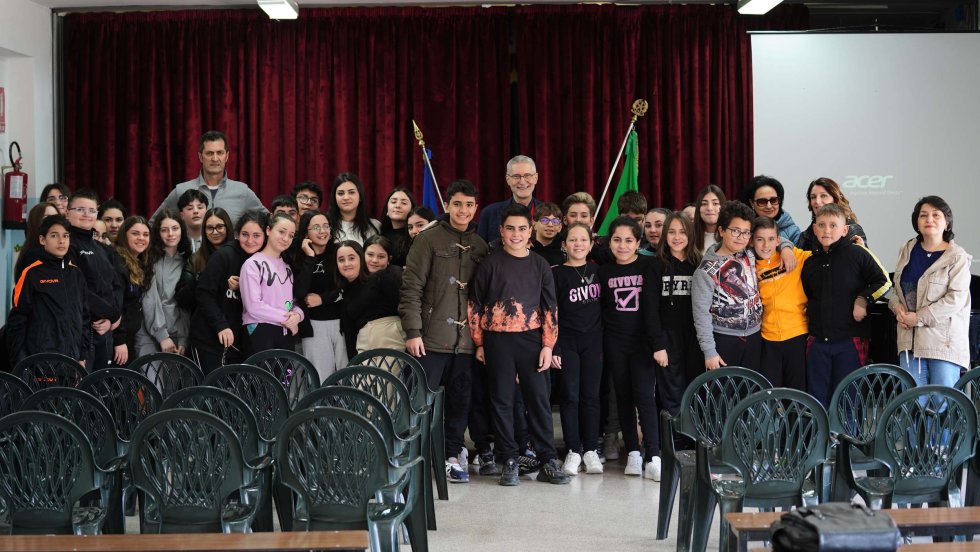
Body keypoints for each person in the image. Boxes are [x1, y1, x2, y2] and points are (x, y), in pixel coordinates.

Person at [468, 204, 568, 486]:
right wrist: (479, 342)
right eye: (510, 228)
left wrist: (548, 345)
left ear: (530, 231)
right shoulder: (490, 264)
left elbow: (550, 307)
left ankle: (548, 458)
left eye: (522, 228)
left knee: (538, 399)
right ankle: (509, 458)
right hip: (497, 340)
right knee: (502, 399)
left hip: (531, 339)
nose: (516, 234)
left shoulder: (539, 265)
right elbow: (474, 306)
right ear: (501, 231)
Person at [399, 179, 489, 484]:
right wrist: (413, 331)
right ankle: (408, 456)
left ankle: (452, 454)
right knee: (417, 401)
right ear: (447, 205)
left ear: (476, 207)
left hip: (466, 342)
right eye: (457, 204)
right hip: (429, 339)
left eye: (469, 204)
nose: (463, 210)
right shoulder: (427, 239)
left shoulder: (480, 245)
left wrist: (481, 340)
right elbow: (411, 289)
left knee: (460, 402)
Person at [801, 203, 891, 407]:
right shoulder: (810, 263)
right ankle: (821, 440)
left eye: (833, 225)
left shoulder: (858, 254)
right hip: (817, 343)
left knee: (847, 400)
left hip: (850, 342)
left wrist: (863, 300)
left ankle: (846, 440)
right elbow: (808, 294)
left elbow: (884, 281)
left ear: (845, 230)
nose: (826, 230)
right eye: (821, 225)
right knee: (816, 401)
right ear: (814, 229)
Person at [599, 216, 664, 480]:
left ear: (638, 242)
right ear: (610, 243)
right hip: (615, 344)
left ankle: (654, 455)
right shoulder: (603, 271)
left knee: (645, 398)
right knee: (623, 398)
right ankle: (634, 454)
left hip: (643, 344)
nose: (623, 246)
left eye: (628, 240)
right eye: (617, 240)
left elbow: (654, 309)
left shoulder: (650, 266)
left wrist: (658, 343)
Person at [889, 196, 971, 387]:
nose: (929, 219)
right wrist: (897, 307)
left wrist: (918, 318)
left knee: (942, 403)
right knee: (912, 404)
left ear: (947, 223)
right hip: (909, 342)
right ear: (916, 222)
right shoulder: (907, 249)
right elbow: (896, 290)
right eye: (923, 215)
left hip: (943, 343)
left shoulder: (957, 256)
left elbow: (955, 299)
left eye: (936, 215)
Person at [551, 222, 603, 475]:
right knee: (570, 396)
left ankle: (591, 449)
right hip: (567, 343)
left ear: (591, 244)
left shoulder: (597, 270)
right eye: (573, 240)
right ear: (564, 245)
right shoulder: (556, 273)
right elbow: (551, 313)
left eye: (583, 239)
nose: (578, 244)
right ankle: (573, 450)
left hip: (594, 342)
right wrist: (555, 347)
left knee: (591, 396)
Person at [189, 210, 267, 373]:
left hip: (239, 343)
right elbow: (203, 293)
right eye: (245, 234)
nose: (250, 240)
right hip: (209, 339)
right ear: (237, 233)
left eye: (256, 235)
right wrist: (220, 325)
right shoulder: (224, 255)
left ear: (266, 234)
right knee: (211, 393)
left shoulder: (264, 259)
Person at [693, 201, 766, 373]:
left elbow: (773, 238)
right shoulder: (705, 271)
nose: (741, 237)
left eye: (746, 232)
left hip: (755, 336)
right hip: (724, 339)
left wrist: (785, 247)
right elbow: (701, 315)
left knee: (751, 391)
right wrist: (709, 352)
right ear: (721, 231)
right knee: (725, 393)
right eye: (735, 231)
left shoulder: (749, 253)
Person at [6, 215, 89, 366]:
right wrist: (21, 361)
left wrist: (82, 356)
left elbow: (85, 318)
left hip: (72, 362)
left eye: (65, 236)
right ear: (42, 240)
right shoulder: (32, 273)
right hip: (40, 363)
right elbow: (17, 320)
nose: (61, 241)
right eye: (54, 235)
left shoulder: (77, 274)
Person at [152, 130, 265, 225]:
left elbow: (270, 222)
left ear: (227, 156)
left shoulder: (242, 191)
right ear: (201, 157)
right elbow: (153, 225)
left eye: (220, 153)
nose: (215, 159)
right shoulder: (181, 191)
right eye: (210, 153)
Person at [66, 189, 123, 370]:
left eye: (91, 210)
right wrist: (112, 314)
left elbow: (116, 286)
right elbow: (77, 289)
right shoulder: (65, 245)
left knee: (101, 392)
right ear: (68, 212)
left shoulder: (103, 248)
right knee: (79, 392)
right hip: (79, 332)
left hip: (105, 331)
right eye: (80, 209)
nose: (86, 215)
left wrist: (113, 320)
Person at [752, 216, 810, 391]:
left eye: (770, 239)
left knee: (798, 392)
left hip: (797, 335)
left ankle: (799, 420)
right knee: (770, 392)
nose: (765, 245)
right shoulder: (750, 266)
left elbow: (827, 256)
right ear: (751, 241)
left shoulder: (796, 257)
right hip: (768, 339)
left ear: (778, 240)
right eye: (760, 239)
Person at [240, 213, 304, 355]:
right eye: (281, 232)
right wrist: (288, 318)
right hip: (260, 329)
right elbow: (253, 306)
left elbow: (290, 303)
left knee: (285, 377)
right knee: (262, 377)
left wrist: (298, 316)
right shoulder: (252, 264)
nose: (286, 238)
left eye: (291, 235)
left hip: (285, 330)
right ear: (268, 230)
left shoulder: (287, 268)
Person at [294, 209, 345, 381]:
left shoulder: (339, 251)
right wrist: (310, 257)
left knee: (346, 376)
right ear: (305, 232)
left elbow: (346, 285)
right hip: (313, 326)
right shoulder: (297, 257)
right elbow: (299, 292)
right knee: (321, 379)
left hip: (342, 323)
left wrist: (323, 299)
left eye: (326, 226)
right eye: (316, 227)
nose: (322, 231)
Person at [136, 211, 191, 357]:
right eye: (164, 230)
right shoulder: (149, 260)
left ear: (182, 230)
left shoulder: (188, 261)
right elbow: (150, 300)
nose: (170, 234)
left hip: (178, 335)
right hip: (150, 333)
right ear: (158, 233)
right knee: (151, 379)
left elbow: (185, 304)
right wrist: (162, 336)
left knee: (174, 380)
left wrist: (183, 339)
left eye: (175, 228)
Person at [335, 240, 404, 356]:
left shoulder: (383, 277)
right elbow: (350, 333)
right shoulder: (345, 291)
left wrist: (414, 335)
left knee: (385, 375)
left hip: (389, 338)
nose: (346, 264)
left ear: (361, 259)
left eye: (352, 258)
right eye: (341, 260)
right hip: (364, 344)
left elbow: (406, 306)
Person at [176, 207, 235, 312]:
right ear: (204, 230)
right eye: (209, 228)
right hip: (203, 322)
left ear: (228, 227)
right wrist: (198, 279)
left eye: (220, 227)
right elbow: (182, 300)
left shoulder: (239, 253)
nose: (215, 232)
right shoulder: (195, 259)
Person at [111, 216, 151, 366]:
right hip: (118, 343)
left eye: (146, 234)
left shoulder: (137, 262)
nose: (141, 238)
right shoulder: (118, 262)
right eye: (135, 233)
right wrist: (119, 340)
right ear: (124, 235)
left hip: (129, 338)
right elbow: (116, 306)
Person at [477, 155, 542, 244]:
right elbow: (481, 252)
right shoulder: (489, 213)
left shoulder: (549, 214)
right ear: (508, 179)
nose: (522, 181)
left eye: (527, 175)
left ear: (536, 178)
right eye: (516, 176)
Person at [798, 177, 868, 252]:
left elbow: (859, 262)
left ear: (835, 199)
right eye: (813, 197)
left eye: (823, 196)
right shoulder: (805, 236)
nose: (817, 201)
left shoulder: (853, 231)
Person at [741, 175, 802, 245]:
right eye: (762, 201)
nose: (769, 206)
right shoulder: (742, 228)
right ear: (752, 203)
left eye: (773, 200)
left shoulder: (793, 232)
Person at [327, 173, 380, 245]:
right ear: (334, 198)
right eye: (341, 193)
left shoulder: (375, 226)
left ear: (360, 196)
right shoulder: (325, 225)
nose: (346, 198)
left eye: (351, 192)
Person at [14, 202, 60, 279]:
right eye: (47, 217)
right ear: (36, 221)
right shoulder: (34, 255)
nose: (53, 221)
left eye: (56, 217)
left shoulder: (53, 250)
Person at [379, 187, 415, 267]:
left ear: (412, 210)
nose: (398, 206)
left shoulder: (415, 235)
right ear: (387, 210)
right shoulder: (381, 234)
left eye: (404, 203)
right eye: (394, 202)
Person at [693, 184, 726, 254]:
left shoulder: (731, 236)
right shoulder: (690, 237)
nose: (709, 208)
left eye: (715, 203)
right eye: (704, 204)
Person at [530, 202, 565, 266]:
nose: (550, 224)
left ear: (560, 227)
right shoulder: (526, 248)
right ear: (534, 224)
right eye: (544, 220)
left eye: (555, 221)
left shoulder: (564, 249)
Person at [177, 189, 209, 254]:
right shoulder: (175, 242)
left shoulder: (215, 239)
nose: (195, 211)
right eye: (190, 208)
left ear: (207, 211)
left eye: (200, 207)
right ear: (181, 215)